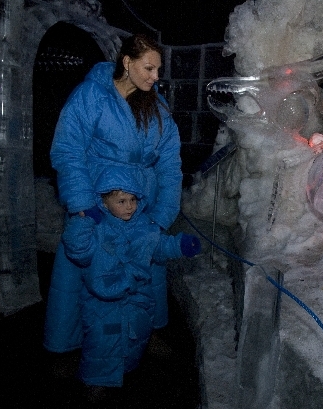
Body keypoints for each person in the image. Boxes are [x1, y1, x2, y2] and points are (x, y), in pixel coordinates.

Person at [44, 33, 185, 363]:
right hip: (97, 200)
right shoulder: (91, 96)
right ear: (127, 62)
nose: (155, 77)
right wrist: (81, 206)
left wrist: (163, 213)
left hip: (142, 204)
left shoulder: (158, 108)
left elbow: (171, 164)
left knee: (143, 269)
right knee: (86, 270)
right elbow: (68, 150)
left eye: (157, 70)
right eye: (149, 68)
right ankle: (72, 346)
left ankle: (142, 336)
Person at [61, 166, 200, 390]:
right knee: (101, 343)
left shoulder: (143, 227)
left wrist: (179, 245)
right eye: (122, 201)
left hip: (136, 298)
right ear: (104, 202)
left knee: (135, 336)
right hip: (102, 305)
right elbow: (77, 249)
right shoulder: (96, 229)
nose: (130, 206)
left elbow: (158, 245)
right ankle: (95, 381)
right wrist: (83, 220)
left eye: (133, 199)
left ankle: (126, 370)